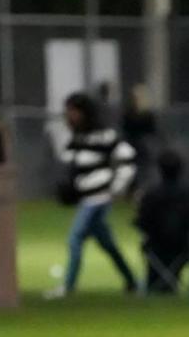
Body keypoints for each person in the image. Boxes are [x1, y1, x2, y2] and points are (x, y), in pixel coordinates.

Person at [46, 92, 138, 298]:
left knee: (75, 238)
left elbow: (127, 158)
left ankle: (68, 286)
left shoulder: (105, 136)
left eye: (73, 111)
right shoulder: (77, 138)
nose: (69, 116)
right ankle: (132, 281)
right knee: (108, 244)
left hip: (98, 198)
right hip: (86, 198)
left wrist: (117, 188)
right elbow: (69, 162)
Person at [133, 149, 189, 294]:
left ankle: (157, 281)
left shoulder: (151, 194)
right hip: (182, 245)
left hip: (156, 245)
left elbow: (142, 221)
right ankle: (170, 280)